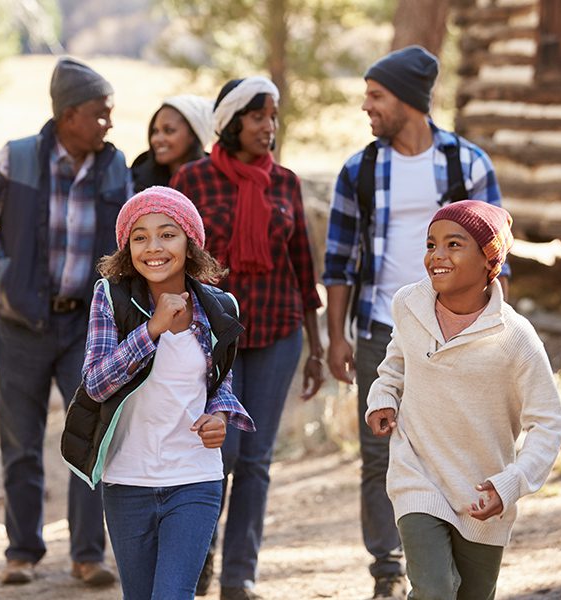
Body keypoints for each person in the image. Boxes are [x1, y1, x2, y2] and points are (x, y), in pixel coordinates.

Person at [322, 45, 509, 599]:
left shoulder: (466, 164)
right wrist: (337, 335)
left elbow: (500, 256)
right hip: (383, 327)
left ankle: (442, 560)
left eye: (375, 96)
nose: (366, 106)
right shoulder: (359, 170)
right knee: (379, 451)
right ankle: (387, 570)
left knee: (456, 445)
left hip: (458, 332)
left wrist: (494, 330)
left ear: (407, 100)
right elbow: (337, 261)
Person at [0, 56, 128, 586]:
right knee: (22, 441)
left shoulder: (113, 166)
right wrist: (3, 274)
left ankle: (86, 555)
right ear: (70, 114)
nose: (109, 123)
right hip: (20, 325)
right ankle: (22, 553)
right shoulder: (15, 160)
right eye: (101, 113)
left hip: (86, 326)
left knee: (89, 435)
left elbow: (126, 239)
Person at [365, 200, 561, 599]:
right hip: (417, 473)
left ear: (488, 260)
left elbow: (549, 424)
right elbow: (395, 364)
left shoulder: (515, 338)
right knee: (434, 591)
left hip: (482, 494)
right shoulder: (408, 304)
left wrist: (510, 485)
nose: (437, 256)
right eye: (431, 244)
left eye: (454, 245)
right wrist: (383, 397)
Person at [171, 76, 324, 600]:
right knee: (222, 453)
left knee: (257, 459)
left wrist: (317, 346)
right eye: (259, 116)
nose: (269, 127)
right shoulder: (192, 179)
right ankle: (199, 557)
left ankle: (241, 576)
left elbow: (303, 266)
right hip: (215, 338)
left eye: (274, 117)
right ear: (232, 122)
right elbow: (175, 258)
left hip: (280, 331)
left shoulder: (285, 182)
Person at [77, 186, 255, 599]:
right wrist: (151, 330)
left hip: (195, 478)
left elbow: (219, 382)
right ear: (127, 247)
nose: (153, 247)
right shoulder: (110, 297)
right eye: (140, 236)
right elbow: (96, 382)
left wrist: (221, 417)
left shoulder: (220, 306)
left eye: (167, 234)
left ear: (189, 243)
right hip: (127, 480)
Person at [131, 95, 214, 192]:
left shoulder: (214, 182)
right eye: (155, 131)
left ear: (193, 135)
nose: (156, 139)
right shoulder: (138, 177)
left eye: (169, 131)